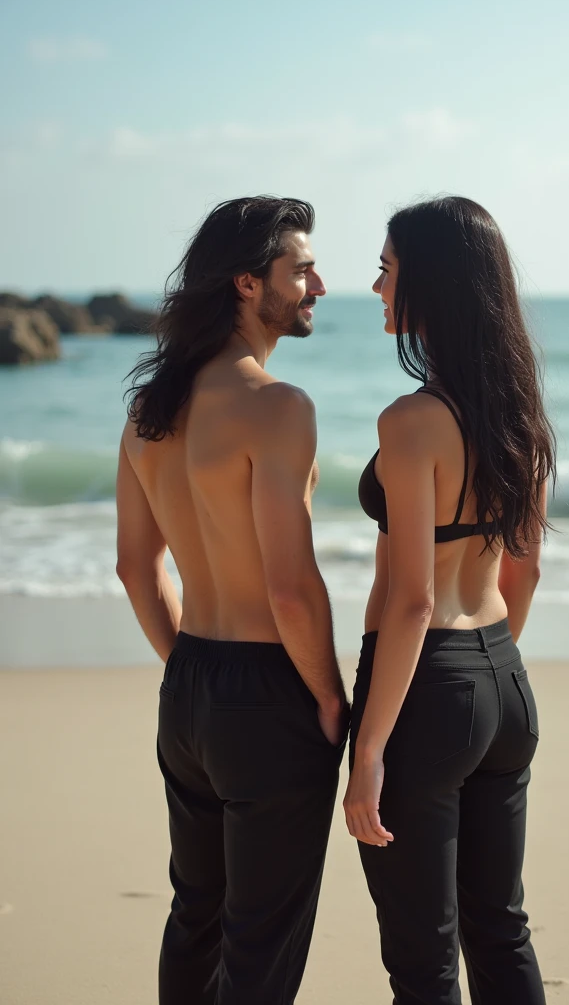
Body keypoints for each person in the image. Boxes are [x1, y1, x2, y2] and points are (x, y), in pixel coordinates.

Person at [116, 196, 348, 1005]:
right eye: (302, 269)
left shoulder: (151, 410)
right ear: (250, 284)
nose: (319, 282)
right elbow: (290, 586)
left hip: (188, 689)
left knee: (198, 917)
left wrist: (188, 667)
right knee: (262, 942)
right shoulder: (277, 407)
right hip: (269, 693)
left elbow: (136, 570)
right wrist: (327, 694)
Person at [344, 196, 556, 1005]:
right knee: (501, 930)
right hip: (504, 684)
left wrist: (370, 753)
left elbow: (409, 601)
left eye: (388, 270)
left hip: (427, 694)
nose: (376, 288)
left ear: (429, 283)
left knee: (424, 963)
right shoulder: (518, 408)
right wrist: (486, 674)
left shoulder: (411, 423)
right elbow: (523, 572)